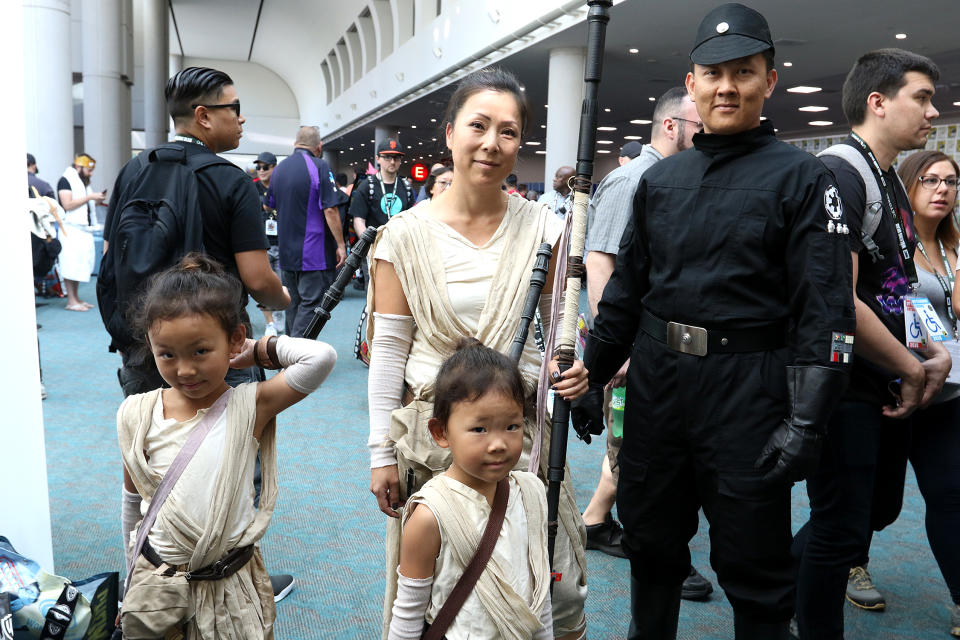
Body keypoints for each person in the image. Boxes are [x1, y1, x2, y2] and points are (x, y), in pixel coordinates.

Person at [583, 4, 856, 638]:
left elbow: (827, 311)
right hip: (658, 389)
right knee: (651, 550)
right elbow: (627, 291)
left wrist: (807, 425)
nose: (726, 86)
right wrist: (596, 370)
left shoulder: (803, 178)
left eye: (743, 72)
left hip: (749, 392)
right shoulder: (660, 181)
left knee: (753, 570)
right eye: (713, 73)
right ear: (693, 82)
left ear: (769, 80)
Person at [367, 67, 590, 640]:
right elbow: (390, 351)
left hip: (520, 435)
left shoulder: (545, 228)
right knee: (440, 585)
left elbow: (555, 333)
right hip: (434, 435)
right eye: (479, 125)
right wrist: (379, 453)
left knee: (548, 578)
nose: (492, 143)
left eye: (509, 132)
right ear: (449, 133)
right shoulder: (404, 236)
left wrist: (574, 367)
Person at [792, 49, 950, 640]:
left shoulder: (885, 174)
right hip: (845, 382)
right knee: (840, 525)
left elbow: (896, 280)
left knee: (873, 511)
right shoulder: (841, 171)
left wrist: (929, 350)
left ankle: (780, 585)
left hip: (881, 376)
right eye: (922, 98)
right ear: (878, 103)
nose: (933, 113)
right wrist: (911, 364)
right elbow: (839, 297)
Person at [117, 253, 335, 639]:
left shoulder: (249, 406)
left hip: (228, 587)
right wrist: (133, 573)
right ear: (150, 345)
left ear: (233, 338)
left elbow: (320, 357)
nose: (184, 370)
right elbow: (132, 503)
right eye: (166, 353)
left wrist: (253, 351)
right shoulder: (137, 413)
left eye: (201, 351)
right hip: (160, 583)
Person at [578, 86, 713, 601]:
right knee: (636, 446)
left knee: (633, 442)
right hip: (632, 343)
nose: (707, 137)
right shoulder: (634, 177)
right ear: (671, 126)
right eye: (699, 127)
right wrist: (620, 348)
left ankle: (597, 521)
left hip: (656, 342)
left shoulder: (675, 177)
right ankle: (650, 548)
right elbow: (600, 264)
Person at [388, 339, 552, 639]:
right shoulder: (429, 516)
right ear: (441, 432)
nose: (499, 443)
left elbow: (539, 597)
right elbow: (408, 616)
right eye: (480, 429)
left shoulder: (531, 494)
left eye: (512, 426)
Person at [266, 126, 345, 338]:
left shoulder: (279, 169)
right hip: (313, 252)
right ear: (318, 147)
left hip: (286, 251)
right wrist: (341, 244)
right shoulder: (320, 166)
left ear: (295, 144)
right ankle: (296, 357)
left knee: (293, 304)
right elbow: (330, 208)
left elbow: (268, 205)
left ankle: (289, 354)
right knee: (312, 304)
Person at [350, 138, 416, 290]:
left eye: (396, 157)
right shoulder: (367, 186)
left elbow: (411, 218)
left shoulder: (405, 186)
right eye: (387, 157)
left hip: (401, 251)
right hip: (375, 251)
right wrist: (371, 245)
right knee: (375, 296)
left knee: (401, 293)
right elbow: (359, 220)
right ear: (378, 159)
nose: (392, 161)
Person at [57, 153, 105, 311]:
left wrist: (95, 201)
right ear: (78, 167)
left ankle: (76, 298)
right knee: (70, 265)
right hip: (70, 229)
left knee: (78, 265)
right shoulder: (65, 180)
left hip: (82, 229)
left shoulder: (82, 183)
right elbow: (67, 204)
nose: (91, 174)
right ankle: (71, 301)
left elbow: (82, 206)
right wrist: (89, 197)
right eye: (89, 170)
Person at [254, 151, 283, 337]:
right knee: (263, 286)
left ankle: (279, 311)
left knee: (281, 283)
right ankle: (269, 322)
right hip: (261, 244)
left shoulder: (281, 187)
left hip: (282, 243)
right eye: (258, 167)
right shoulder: (251, 188)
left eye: (265, 167)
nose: (261, 170)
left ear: (274, 168)